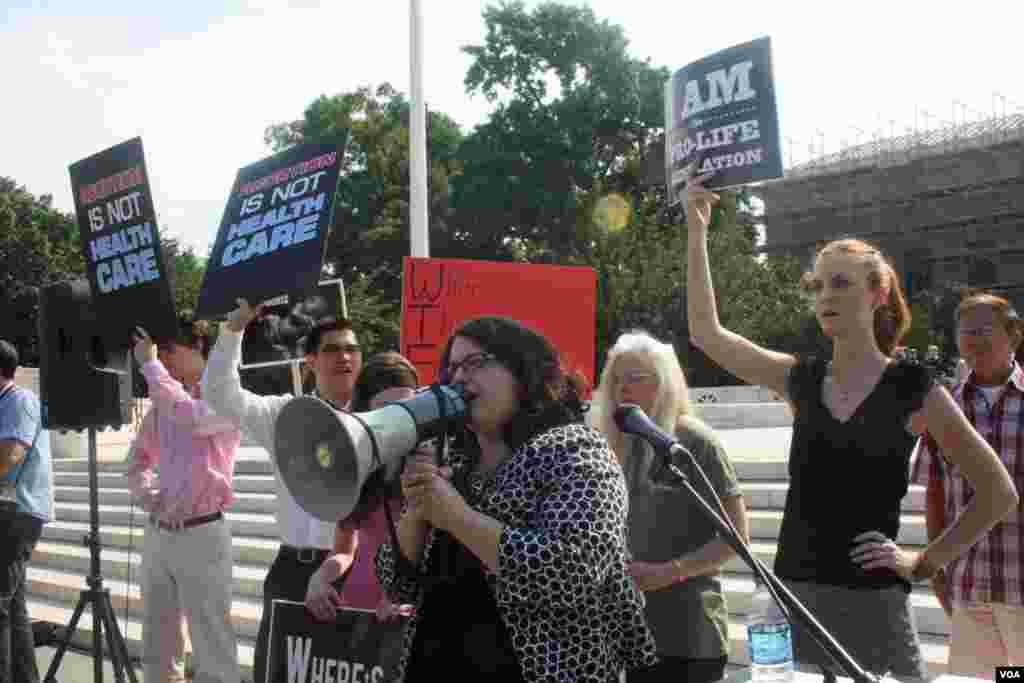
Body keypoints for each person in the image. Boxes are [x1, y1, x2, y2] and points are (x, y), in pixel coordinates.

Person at [683, 174, 1018, 679]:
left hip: (875, 601)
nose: (824, 296)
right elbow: (706, 333)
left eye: (840, 282)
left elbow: (998, 492)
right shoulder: (800, 377)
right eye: (817, 285)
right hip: (794, 593)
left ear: (878, 292)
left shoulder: (914, 387)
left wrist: (921, 562)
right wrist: (696, 227)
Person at [375, 316, 656, 682]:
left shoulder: (576, 450)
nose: (459, 378)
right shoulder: (453, 459)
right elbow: (397, 585)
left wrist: (457, 517)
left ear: (522, 370)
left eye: (475, 362)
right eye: (452, 368)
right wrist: (417, 510)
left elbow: (573, 573)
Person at [201, 299, 362, 683]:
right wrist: (236, 325)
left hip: (353, 572)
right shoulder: (284, 415)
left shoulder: (380, 418)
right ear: (309, 362)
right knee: (275, 674)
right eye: (332, 349)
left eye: (352, 349)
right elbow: (219, 391)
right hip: (290, 570)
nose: (344, 357)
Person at [590, 330, 749, 683]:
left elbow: (736, 537)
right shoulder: (616, 445)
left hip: (690, 636)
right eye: (615, 379)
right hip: (634, 635)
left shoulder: (694, 442)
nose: (622, 388)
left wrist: (671, 571)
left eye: (635, 378)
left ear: (663, 383)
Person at [911, 292, 1024, 677]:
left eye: (983, 330)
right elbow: (935, 495)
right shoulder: (945, 410)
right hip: (971, 584)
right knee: (979, 681)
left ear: (1014, 335)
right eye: (965, 332)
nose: (973, 340)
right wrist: (938, 566)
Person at [126, 317, 242, 683]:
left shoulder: (226, 398)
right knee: (157, 644)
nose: (167, 359)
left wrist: (149, 364)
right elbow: (136, 460)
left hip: (204, 533)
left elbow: (188, 416)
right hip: (160, 534)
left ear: (199, 348)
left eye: (171, 351)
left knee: (212, 645)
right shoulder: (165, 401)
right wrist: (150, 499)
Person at [305, 351, 419, 623]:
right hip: (358, 610)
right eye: (385, 411)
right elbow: (344, 550)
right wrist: (319, 579)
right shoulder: (358, 468)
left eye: (406, 408)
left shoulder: (435, 463)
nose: (397, 421)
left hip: (407, 612)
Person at [0, 339, 54, 683]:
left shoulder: (20, 400)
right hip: (9, 512)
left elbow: (9, 457)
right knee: (14, 607)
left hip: (17, 513)